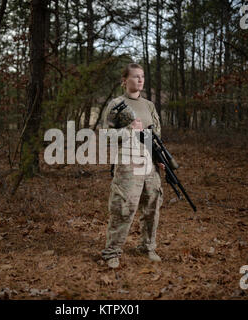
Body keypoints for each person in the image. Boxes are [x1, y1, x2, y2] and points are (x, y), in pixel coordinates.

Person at [101, 63, 164, 269]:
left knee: (152, 205)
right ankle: (112, 252)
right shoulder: (116, 105)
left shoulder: (149, 105)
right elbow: (105, 135)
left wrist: (160, 157)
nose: (140, 80)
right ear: (124, 80)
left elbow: (156, 135)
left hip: (149, 162)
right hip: (128, 162)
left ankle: (147, 246)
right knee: (124, 207)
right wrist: (129, 130)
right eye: (135, 76)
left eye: (142, 76)